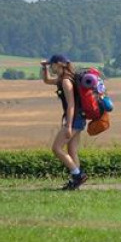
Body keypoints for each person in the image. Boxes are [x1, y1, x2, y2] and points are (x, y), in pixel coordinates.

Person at [40, 53, 87, 190]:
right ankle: (76, 182)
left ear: (59, 64)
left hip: (75, 119)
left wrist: (69, 125)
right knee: (72, 149)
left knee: (56, 148)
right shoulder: (64, 79)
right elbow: (47, 80)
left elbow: (71, 104)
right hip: (79, 118)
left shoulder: (66, 81)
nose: (51, 67)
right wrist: (44, 68)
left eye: (52, 64)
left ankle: (78, 175)